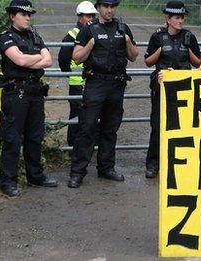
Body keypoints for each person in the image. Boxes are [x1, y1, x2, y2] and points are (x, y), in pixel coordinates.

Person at [67, 0, 138, 188]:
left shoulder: (123, 28)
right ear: (98, 8)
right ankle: (77, 172)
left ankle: (106, 167)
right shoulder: (89, 29)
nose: (110, 10)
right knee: (87, 128)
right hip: (95, 83)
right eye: (106, 6)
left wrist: (129, 42)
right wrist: (90, 45)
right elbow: (76, 57)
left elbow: (134, 56)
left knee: (110, 128)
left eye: (113, 6)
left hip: (116, 84)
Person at [0, 0, 57, 197]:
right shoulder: (6, 36)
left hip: (35, 92)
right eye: (23, 14)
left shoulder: (34, 35)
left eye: (29, 14)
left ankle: (35, 176)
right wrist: (34, 59)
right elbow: (20, 60)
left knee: (34, 137)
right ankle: (7, 181)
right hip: (15, 93)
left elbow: (48, 61)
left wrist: (27, 59)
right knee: (12, 139)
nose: (27, 17)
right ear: (12, 16)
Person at [144, 0, 201, 179]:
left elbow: (198, 63)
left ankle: (180, 163)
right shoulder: (157, 36)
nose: (181, 21)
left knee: (183, 126)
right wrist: (160, 50)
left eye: (182, 17)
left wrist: (188, 48)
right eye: (177, 17)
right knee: (158, 125)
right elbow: (148, 62)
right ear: (168, 19)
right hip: (161, 88)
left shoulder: (189, 36)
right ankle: (153, 164)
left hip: (184, 88)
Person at [58, 1, 98, 147]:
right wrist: (71, 73)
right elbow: (63, 59)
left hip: (93, 81)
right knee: (76, 114)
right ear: (80, 16)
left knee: (94, 112)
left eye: (92, 15)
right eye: (88, 15)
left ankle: (91, 143)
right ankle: (73, 144)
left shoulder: (95, 31)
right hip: (77, 82)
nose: (91, 18)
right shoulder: (72, 35)